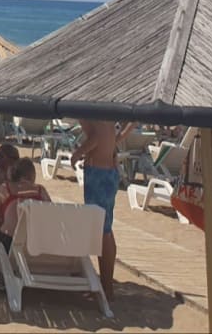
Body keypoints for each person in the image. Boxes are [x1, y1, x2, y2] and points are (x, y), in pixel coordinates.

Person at [71, 120, 135, 300]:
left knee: (102, 231)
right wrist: (113, 143)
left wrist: (78, 153)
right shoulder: (106, 110)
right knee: (104, 230)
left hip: (98, 174)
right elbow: (126, 126)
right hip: (108, 171)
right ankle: (106, 284)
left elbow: (97, 137)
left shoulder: (92, 110)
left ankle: (106, 287)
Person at [0, 157, 51, 251]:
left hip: (8, 244)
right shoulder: (40, 191)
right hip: (37, 245)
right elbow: (51, 216)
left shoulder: (5, 189)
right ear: (32, 175)